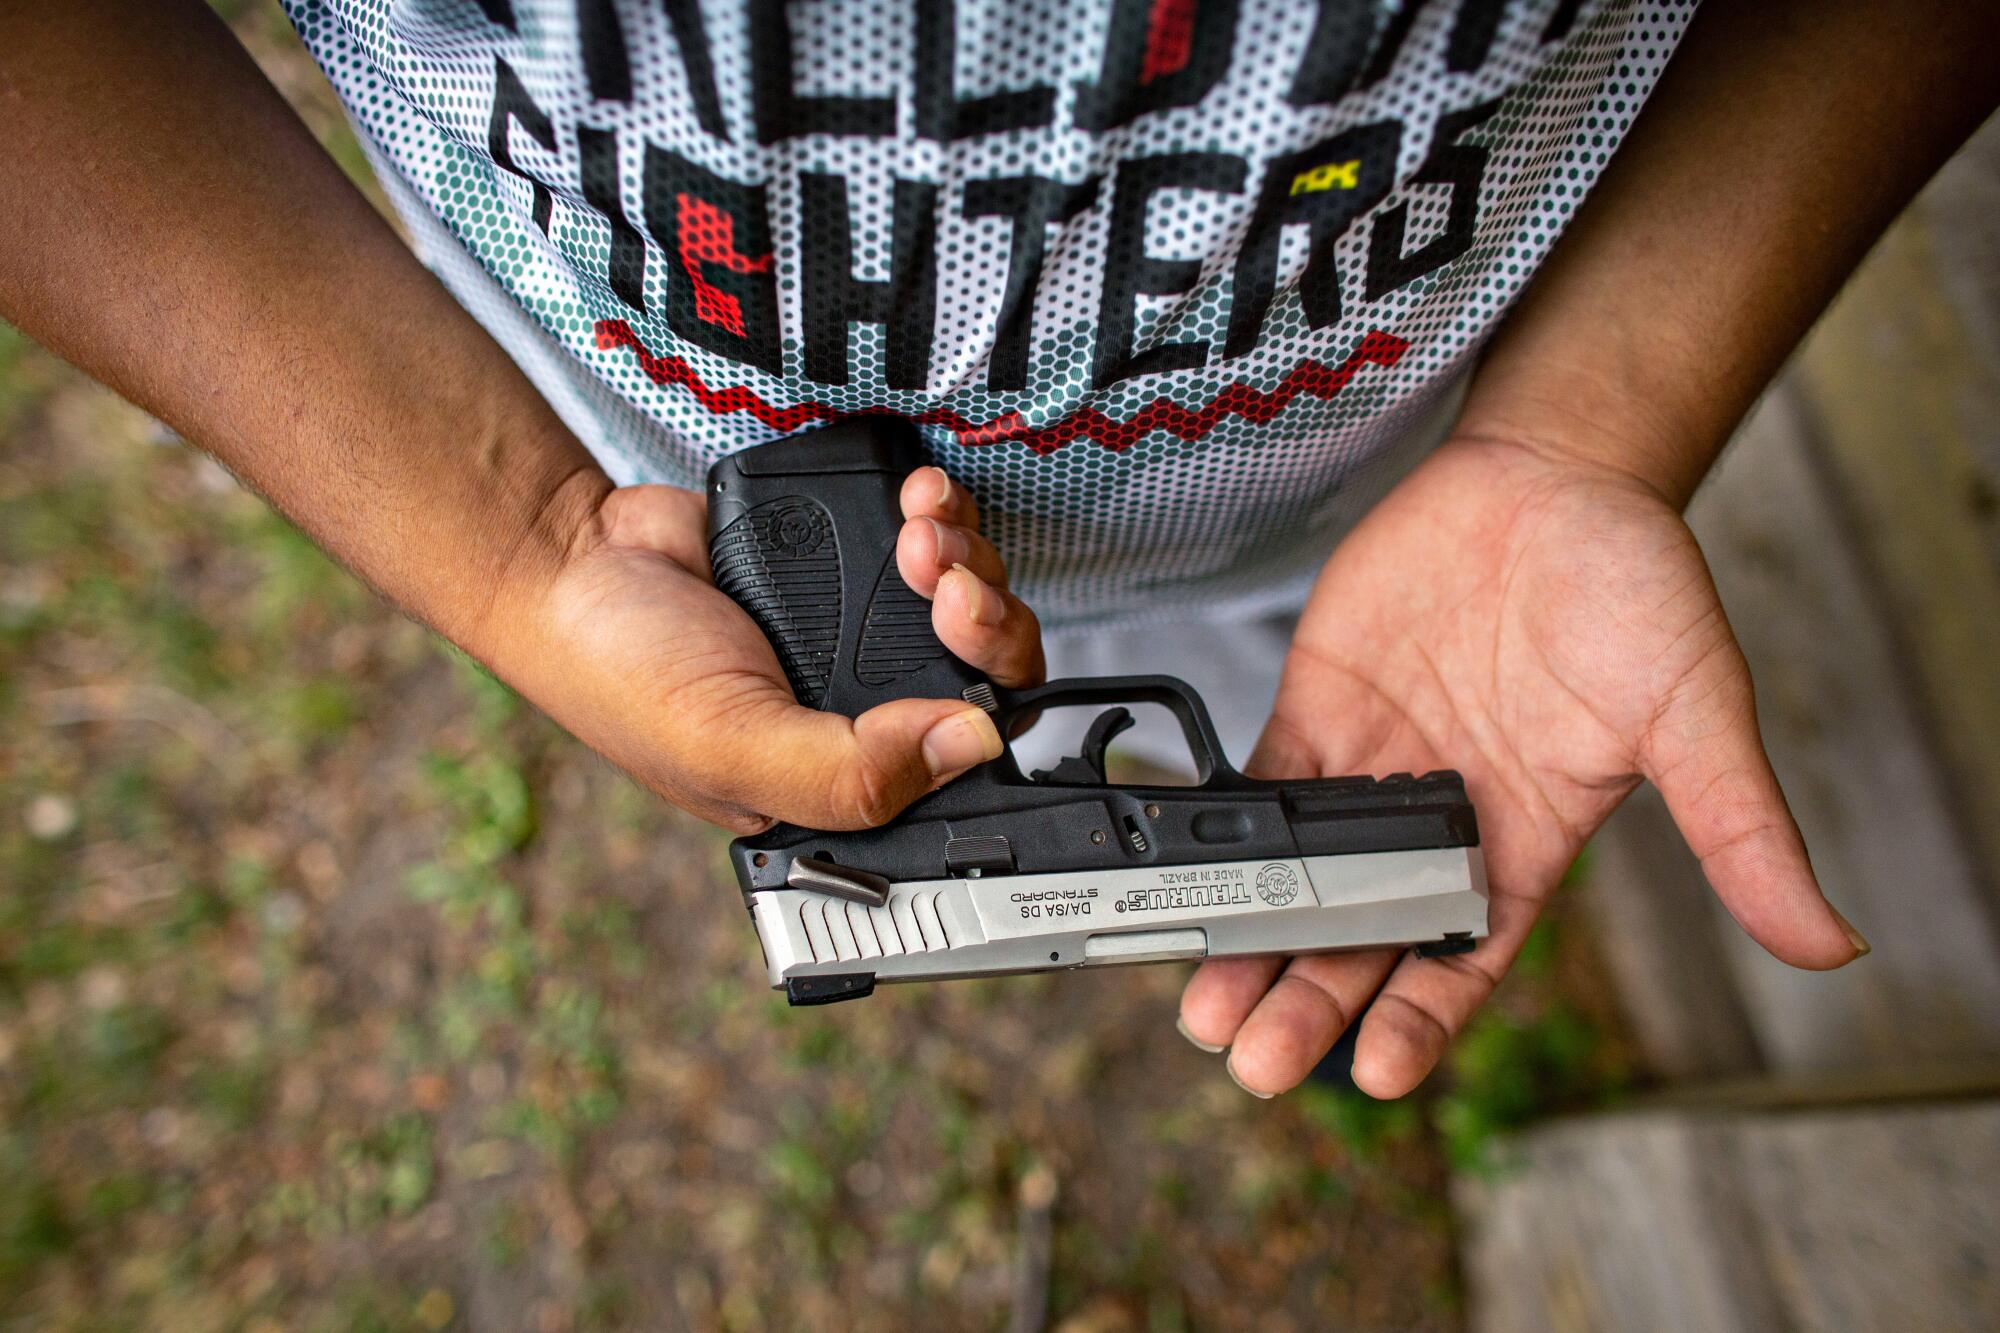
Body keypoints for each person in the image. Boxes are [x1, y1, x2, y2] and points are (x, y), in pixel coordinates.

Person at [2, 0, 1994, 1102]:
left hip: (1374, 487)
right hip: (722, 474)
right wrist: (514, 541)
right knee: (926, 721)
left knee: (1237, 699)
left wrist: (1587, 422)